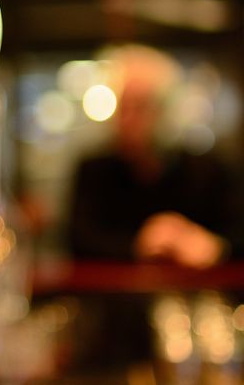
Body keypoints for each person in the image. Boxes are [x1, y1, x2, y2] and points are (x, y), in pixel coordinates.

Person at [68, 44, 242, 267]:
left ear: (163, 110)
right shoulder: (94, 170)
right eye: (122, 107)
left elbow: (236, 233)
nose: (126, 120)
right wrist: (139, 244)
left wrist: (212, 245)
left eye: (139, 107)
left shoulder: (207, 171)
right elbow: (79, 241)